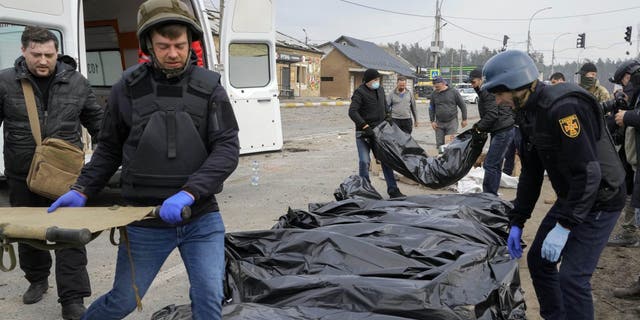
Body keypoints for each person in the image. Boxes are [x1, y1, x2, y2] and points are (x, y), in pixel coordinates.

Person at [47, 0, 240, 318]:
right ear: (149, 43)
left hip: (200, 218)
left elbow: (227, 149)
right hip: (144, 220)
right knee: (123, 300)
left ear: (189, 43)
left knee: (210, 298)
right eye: (164, 46)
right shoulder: (127, 87)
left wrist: (189, 192)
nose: (174, 53)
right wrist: (82, 189)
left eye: (179, 45)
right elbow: (109, 148)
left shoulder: (210, 89)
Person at [483, 50, 625, 320]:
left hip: (602, 198)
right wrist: (518, 219)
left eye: (499, 93)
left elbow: (589, 173)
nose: (499, 100)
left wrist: (565, 225)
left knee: (572, 278)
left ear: (516, 85)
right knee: (539, 262)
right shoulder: (528, 114)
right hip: (574, 195)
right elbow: (532, 173)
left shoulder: (562, 109)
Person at [0, 26, 103, 319]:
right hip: (22, 175)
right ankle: (37, 279)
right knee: (28, 235)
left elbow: (99, 125)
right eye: (36, 54)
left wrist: (106, 164)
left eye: (49, 54)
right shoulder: (5, 82)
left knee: (70, 238)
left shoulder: (77, 83)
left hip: (66, 177)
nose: (43, 60)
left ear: (57, 52)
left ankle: (72, 299)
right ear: (23, 51)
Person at [349, 68, 405, 199]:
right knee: (364, 161)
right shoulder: (359, 92)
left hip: (379, 133)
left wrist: (388, 116)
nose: (377, 82)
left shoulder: (380, 90)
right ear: (368, 81)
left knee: (386, 160)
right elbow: (352, 112)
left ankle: (393, 190)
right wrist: (364, 125)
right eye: (375, 80)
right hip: (363, 133)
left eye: (378, 79)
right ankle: (365, 190)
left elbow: (385, 106)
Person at [468, 68, 514, 195]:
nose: (472, 85)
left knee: (490, 164)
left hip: (502, 130)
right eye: (471, 83)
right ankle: (491, 194)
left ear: (481, 79)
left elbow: (492, 114)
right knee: (496, 164)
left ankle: (488, 195)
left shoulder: (486, 91)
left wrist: (478, 127)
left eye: (474, 82)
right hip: (501, 129)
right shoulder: (485, 90)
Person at [610, 59, 640, 247]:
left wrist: (627, 116)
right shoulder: (635, 94)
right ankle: (629, 232)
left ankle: (630, 232)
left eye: (625, 82)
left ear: (628, 76)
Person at [428, 76, 468, 151]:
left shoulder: (453, 92)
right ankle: (441, 160)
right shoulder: (434, 94)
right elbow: (431, 108)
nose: (436, 89)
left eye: (438, 87)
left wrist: (464, 119)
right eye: (435, 87)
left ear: (443, 83)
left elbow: (462, 105)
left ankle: (450, 161)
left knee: (450, 144)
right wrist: (432, 121)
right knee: (440, 144)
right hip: (439, 123)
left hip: (451, 122)